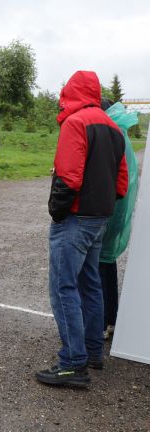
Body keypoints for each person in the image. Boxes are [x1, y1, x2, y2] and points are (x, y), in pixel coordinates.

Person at [36, 70, 128, 388]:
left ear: (72, 92)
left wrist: (57, 213)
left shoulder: (76, 123)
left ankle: (72, 363)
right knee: (90, 284)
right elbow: (121, 183)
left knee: (63, 288)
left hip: (75, 218)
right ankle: (92, 352)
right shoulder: (114, 127)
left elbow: (68, 177)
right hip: (99, 218)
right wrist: (101, 206)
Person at [98, 102, 139, 342]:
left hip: (109, 208)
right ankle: (112, 319)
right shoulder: (121, 131)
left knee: (98, 266)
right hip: (118, 208)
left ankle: (102, 322)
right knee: (107, 264)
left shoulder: (110, 133)